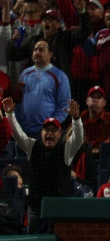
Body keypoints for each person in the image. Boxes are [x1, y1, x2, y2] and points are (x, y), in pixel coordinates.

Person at [2, 96, 83, 233]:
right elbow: (17, 134)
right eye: (47, 130)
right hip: (36, 207)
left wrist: (76, 119)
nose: (49, 133)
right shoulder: (32, 146)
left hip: (59, 207)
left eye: (53, 130)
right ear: (41, 132)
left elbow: (78, 138)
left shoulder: (66, 149)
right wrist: (9, 114)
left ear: (59, 133)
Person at [15, 39, 71, 138]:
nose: (37, 52)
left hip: (45, 133)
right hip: (23, 130)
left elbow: (65, 105)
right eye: (35, 49)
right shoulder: (25, 74)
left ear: (50, 54)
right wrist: (18, 122)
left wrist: (50, 126)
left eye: (41, 49)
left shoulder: (59, 76)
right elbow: (18, 100)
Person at [81, 85, 110, 156]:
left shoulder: (109, 118)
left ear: (104, 103)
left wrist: (102, 147)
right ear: (87, 101)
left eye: (99, 97)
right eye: (92, 97)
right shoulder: (81, 118)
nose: (95, 100)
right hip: (84, 155)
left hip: (104, 155)